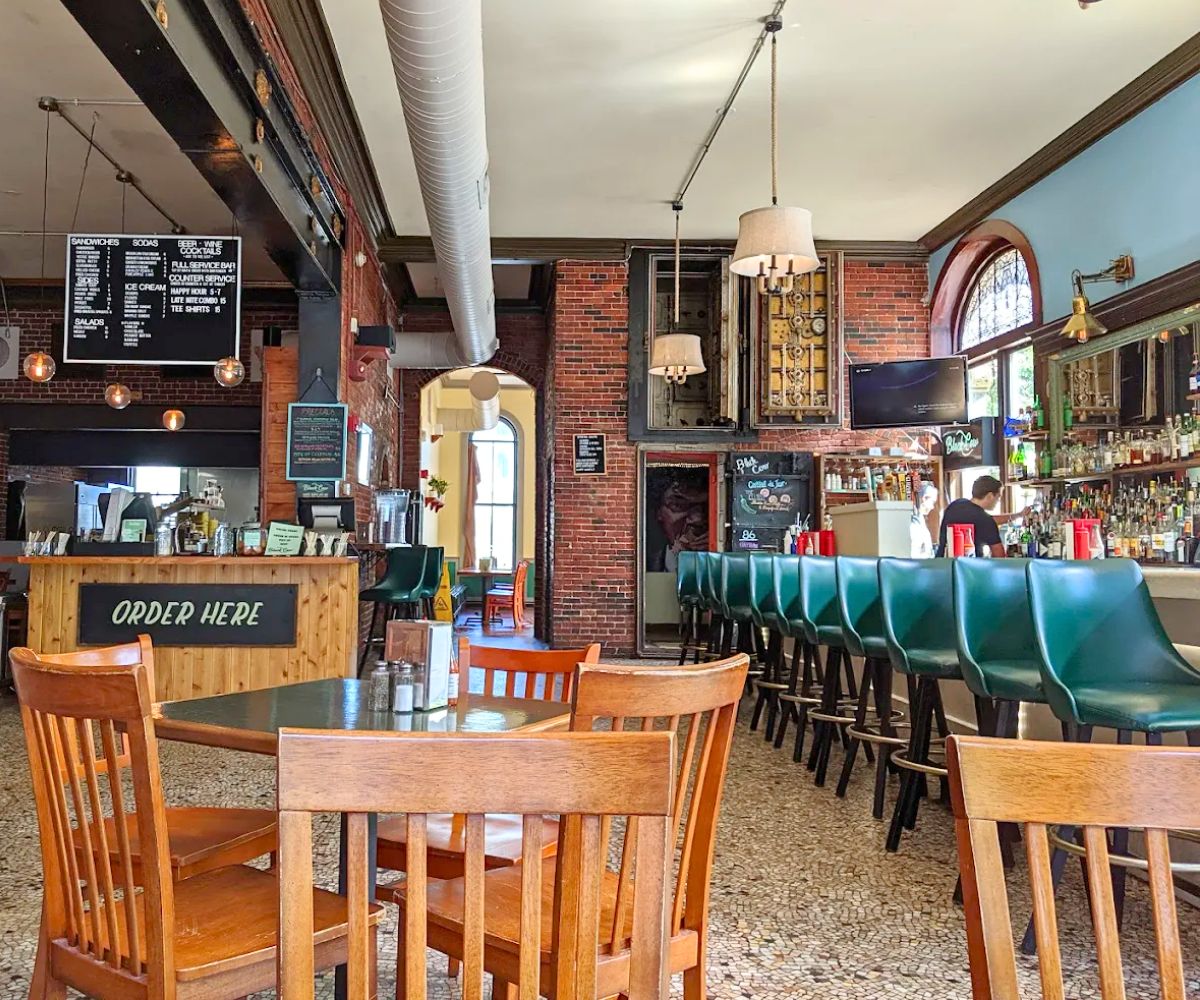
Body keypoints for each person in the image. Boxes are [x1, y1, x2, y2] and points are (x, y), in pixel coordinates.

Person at [936, 474, 1029, 558]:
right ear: (989, 496)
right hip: (968, 572)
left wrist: (1019, 515)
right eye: (998, 497)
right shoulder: (985, 520)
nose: (999, 501)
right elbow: (999, 556)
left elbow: (985, 520)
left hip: (943, 566)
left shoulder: (956, 505)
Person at [910, 482, 939, 558]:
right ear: (924, 498)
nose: (932, 507)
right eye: (932, 502)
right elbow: (915, 554)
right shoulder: (913, 522)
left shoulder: (919, 518)